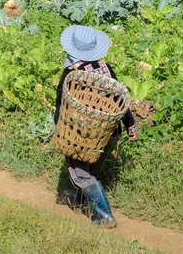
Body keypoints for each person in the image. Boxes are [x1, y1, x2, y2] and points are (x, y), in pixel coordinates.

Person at [54, 25, 137, 228]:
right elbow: (119, 99)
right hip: (105, 133)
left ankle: (104, 216)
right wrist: (130, 125)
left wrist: (58, 127)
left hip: (79, 133)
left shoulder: (71, 73)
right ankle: (78, 200)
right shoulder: (106, 68)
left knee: (81, 173)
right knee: (92, 169)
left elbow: (61, 103)